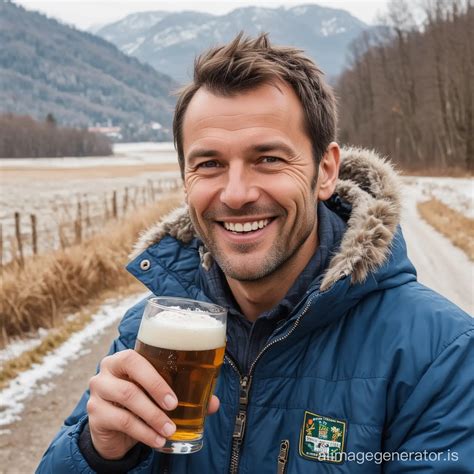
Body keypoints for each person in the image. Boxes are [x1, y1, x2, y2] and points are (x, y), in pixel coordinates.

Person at [38, 33, 473, 473]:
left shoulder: (439, 354)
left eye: (268, 159)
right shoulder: (145, 334)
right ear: (185, 180)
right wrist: (98, 453)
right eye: (209, 164)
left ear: (325, 171)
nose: (237, 193)